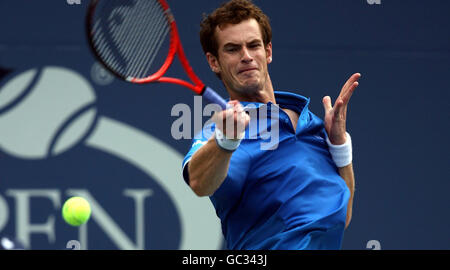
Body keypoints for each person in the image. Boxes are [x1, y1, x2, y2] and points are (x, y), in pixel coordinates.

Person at [182, 0, 359, 250]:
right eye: (232, 49)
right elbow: (199, 183)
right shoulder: (222, 133)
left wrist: (340, 146)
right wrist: (226, 140)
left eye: (253, 45)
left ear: (268, 51)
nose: (246, 56)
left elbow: (341, 217)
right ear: (214, 62)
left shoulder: (314, 125)